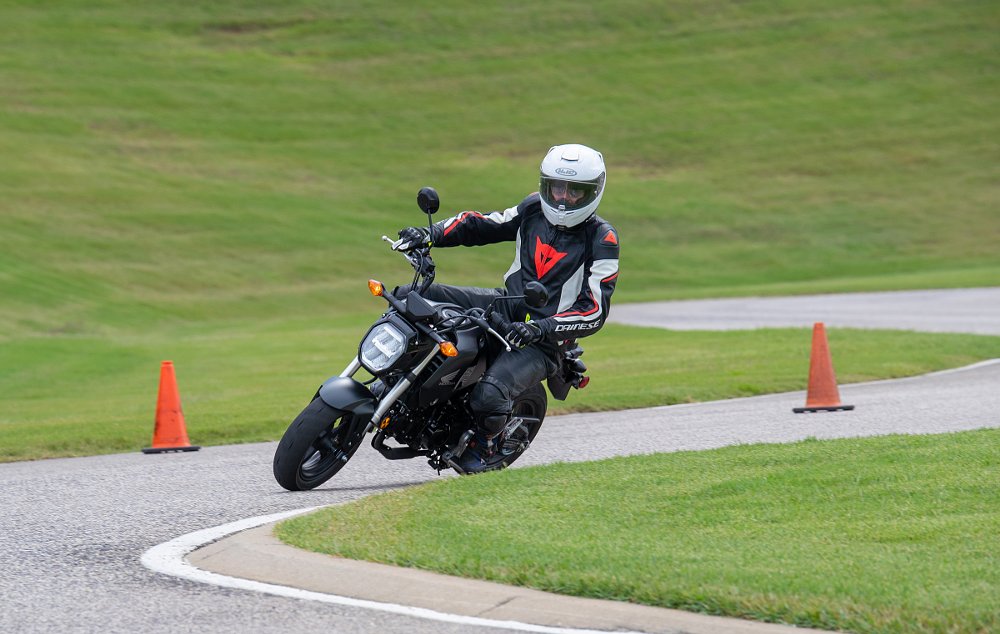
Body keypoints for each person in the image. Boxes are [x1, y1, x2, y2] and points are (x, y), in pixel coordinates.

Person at [396, 143, 620, 473]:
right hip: (505, 306)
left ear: (593, 192)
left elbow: (594, 310)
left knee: (488, 396)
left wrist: (541, 328)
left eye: (575, 191)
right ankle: (400, 378)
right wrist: (429, 234)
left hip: (545, 339)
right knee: (408, 297)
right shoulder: (532, 208)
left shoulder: (603, 239)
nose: (563, 198)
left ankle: (489, 445)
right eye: (557, 187)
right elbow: (482, 224)